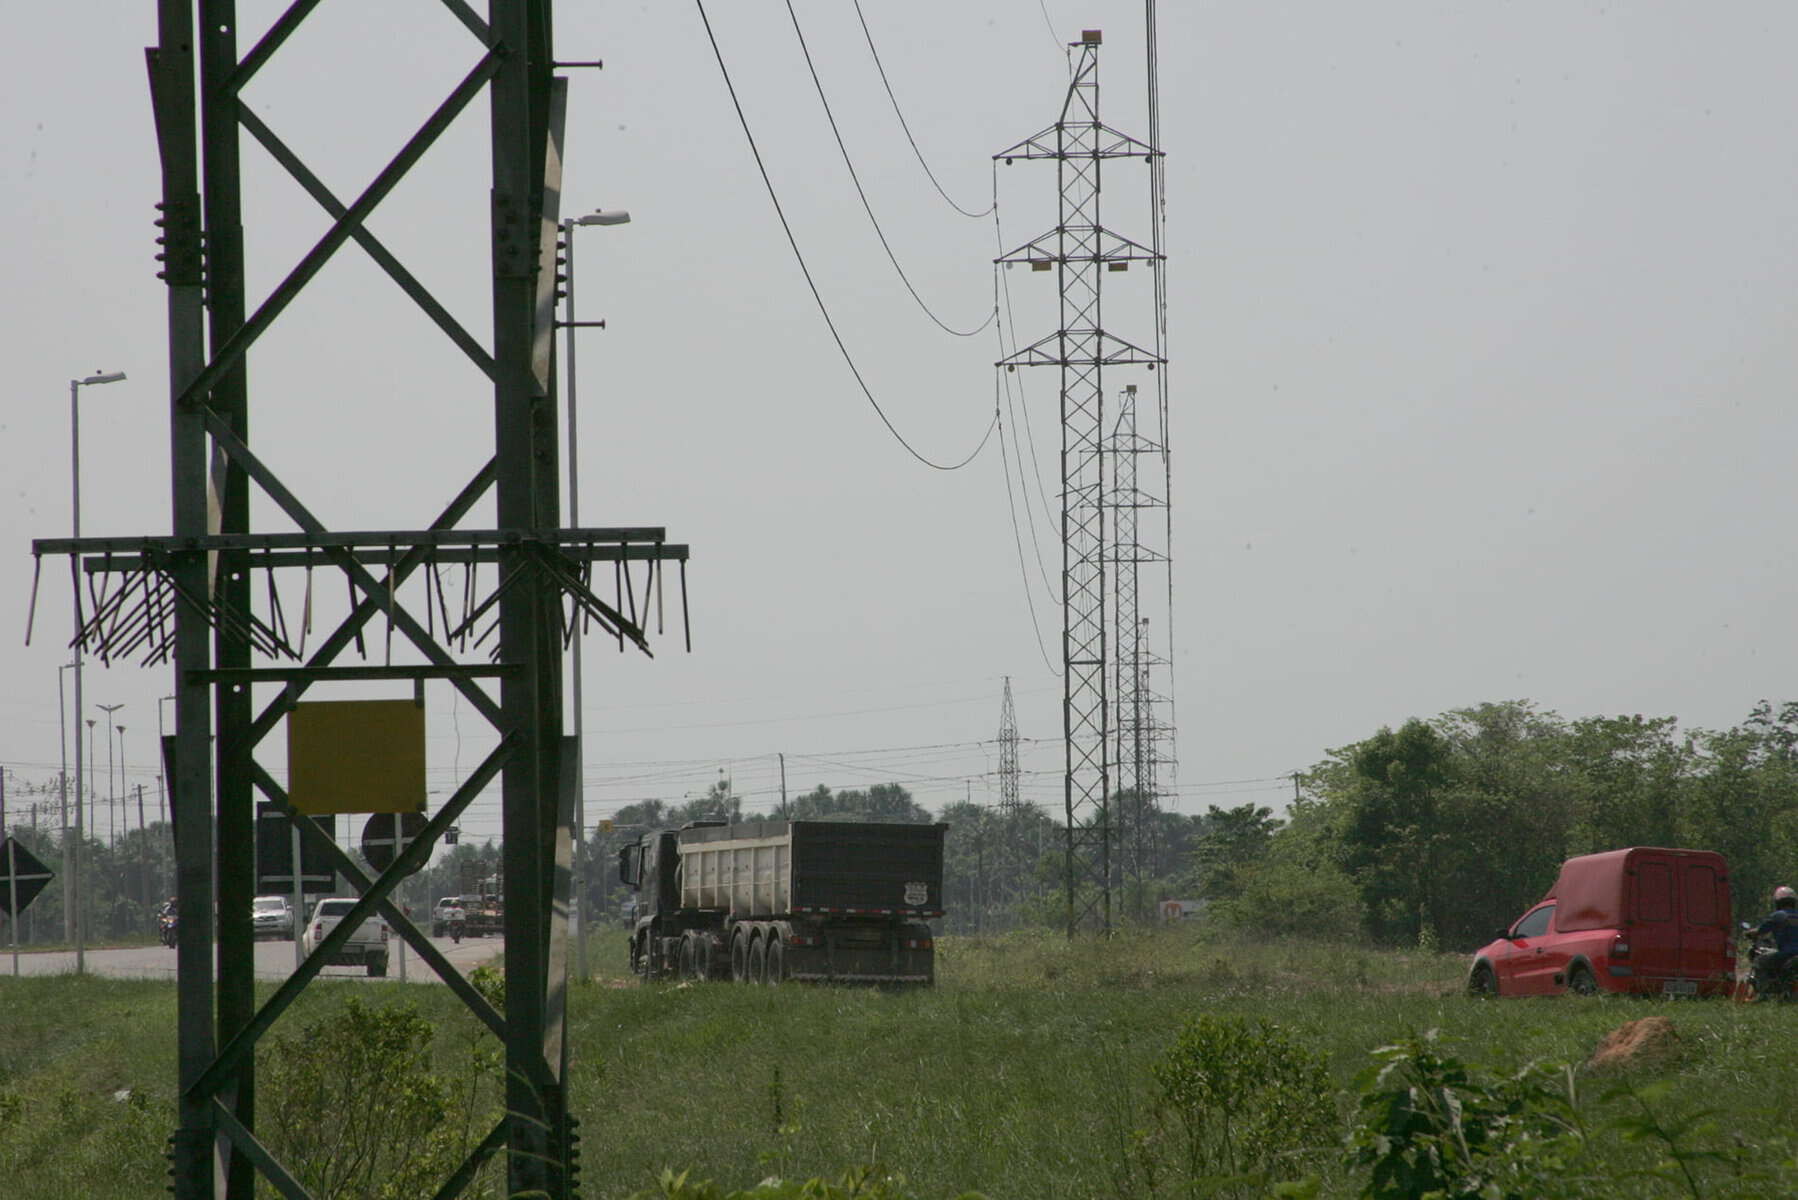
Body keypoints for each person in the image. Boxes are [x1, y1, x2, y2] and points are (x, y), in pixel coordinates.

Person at [1755, 885, 1798, 986]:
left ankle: (1764, 991)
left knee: (1760, 960)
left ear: (1778, 902)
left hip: (1787, 953)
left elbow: (1761, 930)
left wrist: (1749, 932)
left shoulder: (1778, 915)